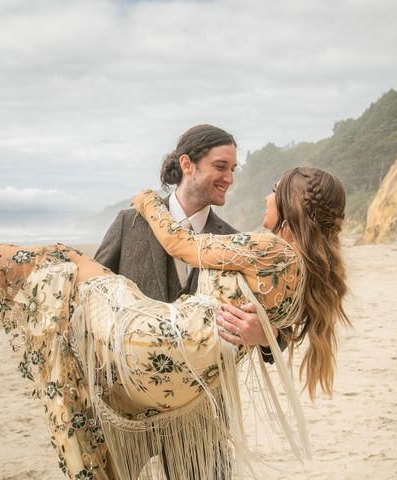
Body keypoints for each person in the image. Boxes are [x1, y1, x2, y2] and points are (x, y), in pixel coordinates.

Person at [0, 166, 350, 480]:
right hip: (145, 379)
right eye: (222, 166)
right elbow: (291, 319)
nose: (238, 182)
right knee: (60, 280)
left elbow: (183, 245)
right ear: (186, 166)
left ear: (291, 204)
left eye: (270, 188)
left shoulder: (255, 242)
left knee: (65, 261)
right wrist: (263, 329)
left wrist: (145, 201)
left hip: (171, 368)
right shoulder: (309, 268)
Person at [94, 124, 278, 478]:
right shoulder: (129, 223)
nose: (229, 178)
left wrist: (264, 335)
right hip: (125, 406)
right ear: (187, 164)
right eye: (221, 166)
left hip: (202, 412)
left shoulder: (234, 241)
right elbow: (92, 294)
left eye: (233, 170)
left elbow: (274, 323)